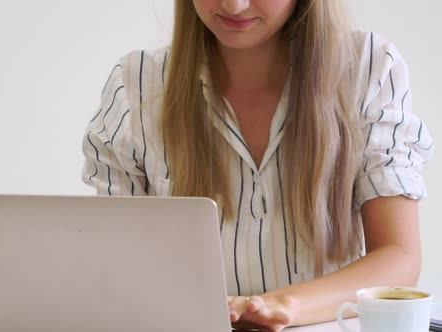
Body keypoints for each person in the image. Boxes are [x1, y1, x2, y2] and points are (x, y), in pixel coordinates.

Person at [81, 0, 434, 330]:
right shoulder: (134, 84)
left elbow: (398, 259)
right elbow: (119, 271)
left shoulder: (368, 67)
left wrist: (281, 305)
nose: (234, 5)